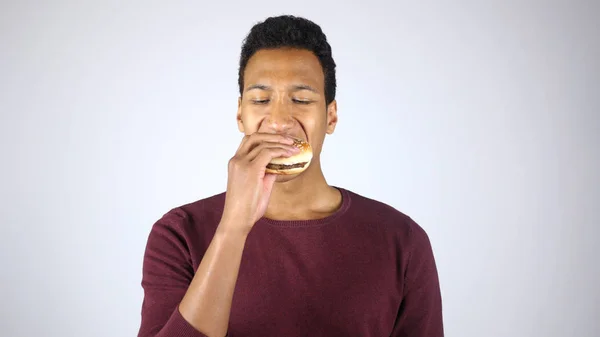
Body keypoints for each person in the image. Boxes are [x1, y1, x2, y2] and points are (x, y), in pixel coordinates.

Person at [137, 15, 444, 337]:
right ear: (240, 114)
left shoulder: (402, 239)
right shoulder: (179, 233)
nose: (280, 120)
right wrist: (233, 226)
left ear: (331, 116)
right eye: (261, 100)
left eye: (301, 100)